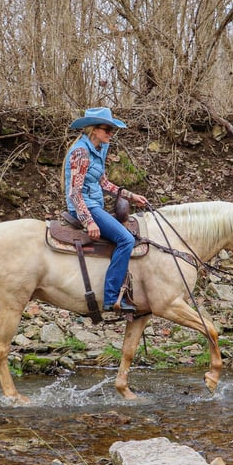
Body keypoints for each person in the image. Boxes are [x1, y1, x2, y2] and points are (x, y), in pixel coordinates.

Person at [63, 107, 148, 313]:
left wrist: (130, 195)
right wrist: (88, 221)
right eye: (107, 130)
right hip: (85, 207)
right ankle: (111, 298)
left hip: (94, 205)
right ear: (94, 130)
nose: (111, 134)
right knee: (126, 239)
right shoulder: (81, 152)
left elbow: (103, 183)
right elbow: (75, 193)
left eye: (112, 130)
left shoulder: (98, 150)